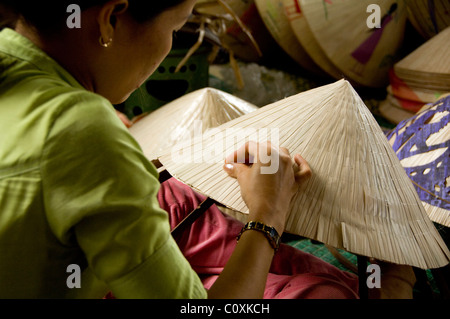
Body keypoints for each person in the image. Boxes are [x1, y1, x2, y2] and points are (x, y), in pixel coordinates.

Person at [0, 0, 405, 299]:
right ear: (110, 19)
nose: (168, 46)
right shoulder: (83, 131)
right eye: (176, 28)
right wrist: (268, 214)